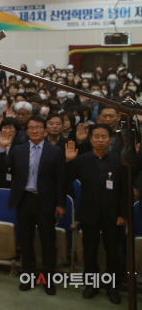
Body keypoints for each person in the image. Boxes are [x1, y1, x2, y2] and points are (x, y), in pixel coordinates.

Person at [0, 115, 66, 295]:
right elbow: (2, 169)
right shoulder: (18, 150)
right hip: (24, 200)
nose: (35, 131)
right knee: (25, 242)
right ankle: (28, 276)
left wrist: (60, 203)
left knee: (48, 242)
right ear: (27, 131)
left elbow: (61, 180)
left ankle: (48, 280)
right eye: (31, 128)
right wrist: (2, 148)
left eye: (38, 127)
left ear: (44, 130)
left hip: (46, 202)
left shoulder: (55, 151)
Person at [65, 125, 125, 304]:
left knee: (113, 253)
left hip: (113, 215)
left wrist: (124, 214)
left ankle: (113, 287)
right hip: (88, 213)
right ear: (91, 139)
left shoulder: (119, 160)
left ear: (110, 139)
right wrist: (69, 162)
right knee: (90, 252)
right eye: (96, 136)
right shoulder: (81, 160)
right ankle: (91, 285)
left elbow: (125, 190)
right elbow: (65, 180)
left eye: (104, 136)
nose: (100, 140)